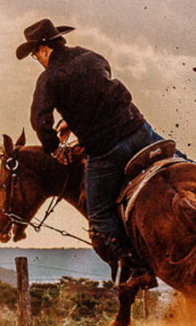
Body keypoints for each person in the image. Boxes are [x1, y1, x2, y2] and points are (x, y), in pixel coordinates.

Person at [16, 18, 173, 290]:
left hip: (107, 150)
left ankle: (136, 267)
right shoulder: (92, 57)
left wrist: (54, 149)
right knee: (180, 163)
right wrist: (73, 121)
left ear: (43, 49)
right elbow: (97, 91)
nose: (37, 60)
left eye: (34, 55)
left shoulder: (49, 78)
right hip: (139, 130)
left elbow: (40, 121)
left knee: (99, 214)